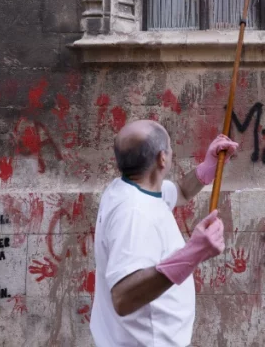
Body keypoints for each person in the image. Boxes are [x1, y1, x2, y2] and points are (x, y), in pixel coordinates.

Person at [90, 119, 239, 347]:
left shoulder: (126, 188)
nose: (170, 153)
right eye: (169, 148)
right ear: (162, 158)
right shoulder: (134, 214)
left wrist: (207, 168)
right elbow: (123, 298)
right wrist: (191, 254)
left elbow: (180, 191)